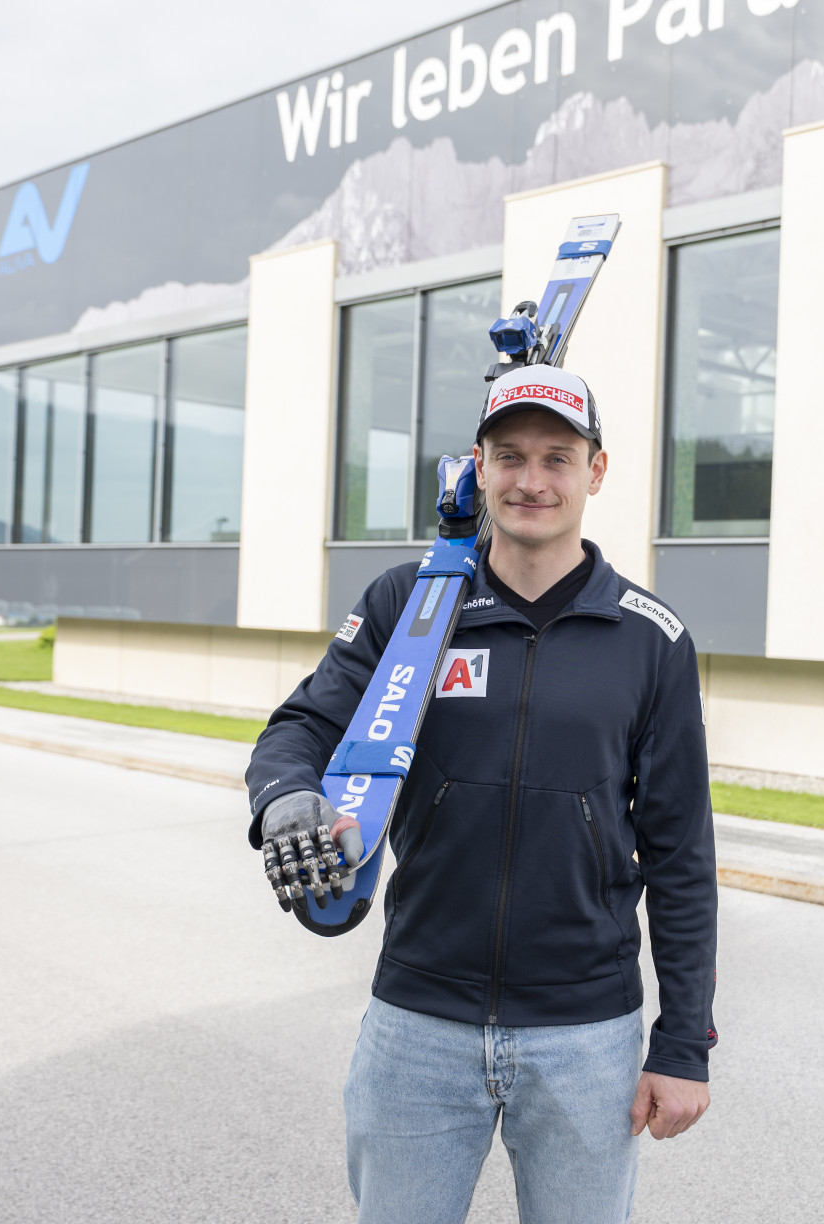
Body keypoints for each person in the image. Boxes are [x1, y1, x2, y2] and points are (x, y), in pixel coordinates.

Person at [245, 362, 718, 1224]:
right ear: (478, 465)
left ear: (595, 472)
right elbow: (299, 729)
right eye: (509, 456)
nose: (531, 481)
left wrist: (683, 1042)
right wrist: (285, 800)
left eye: (556, 458)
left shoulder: (652, 640)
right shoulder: (411, 607)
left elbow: (682, 855)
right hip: (418, 1025)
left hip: (586, 1035)